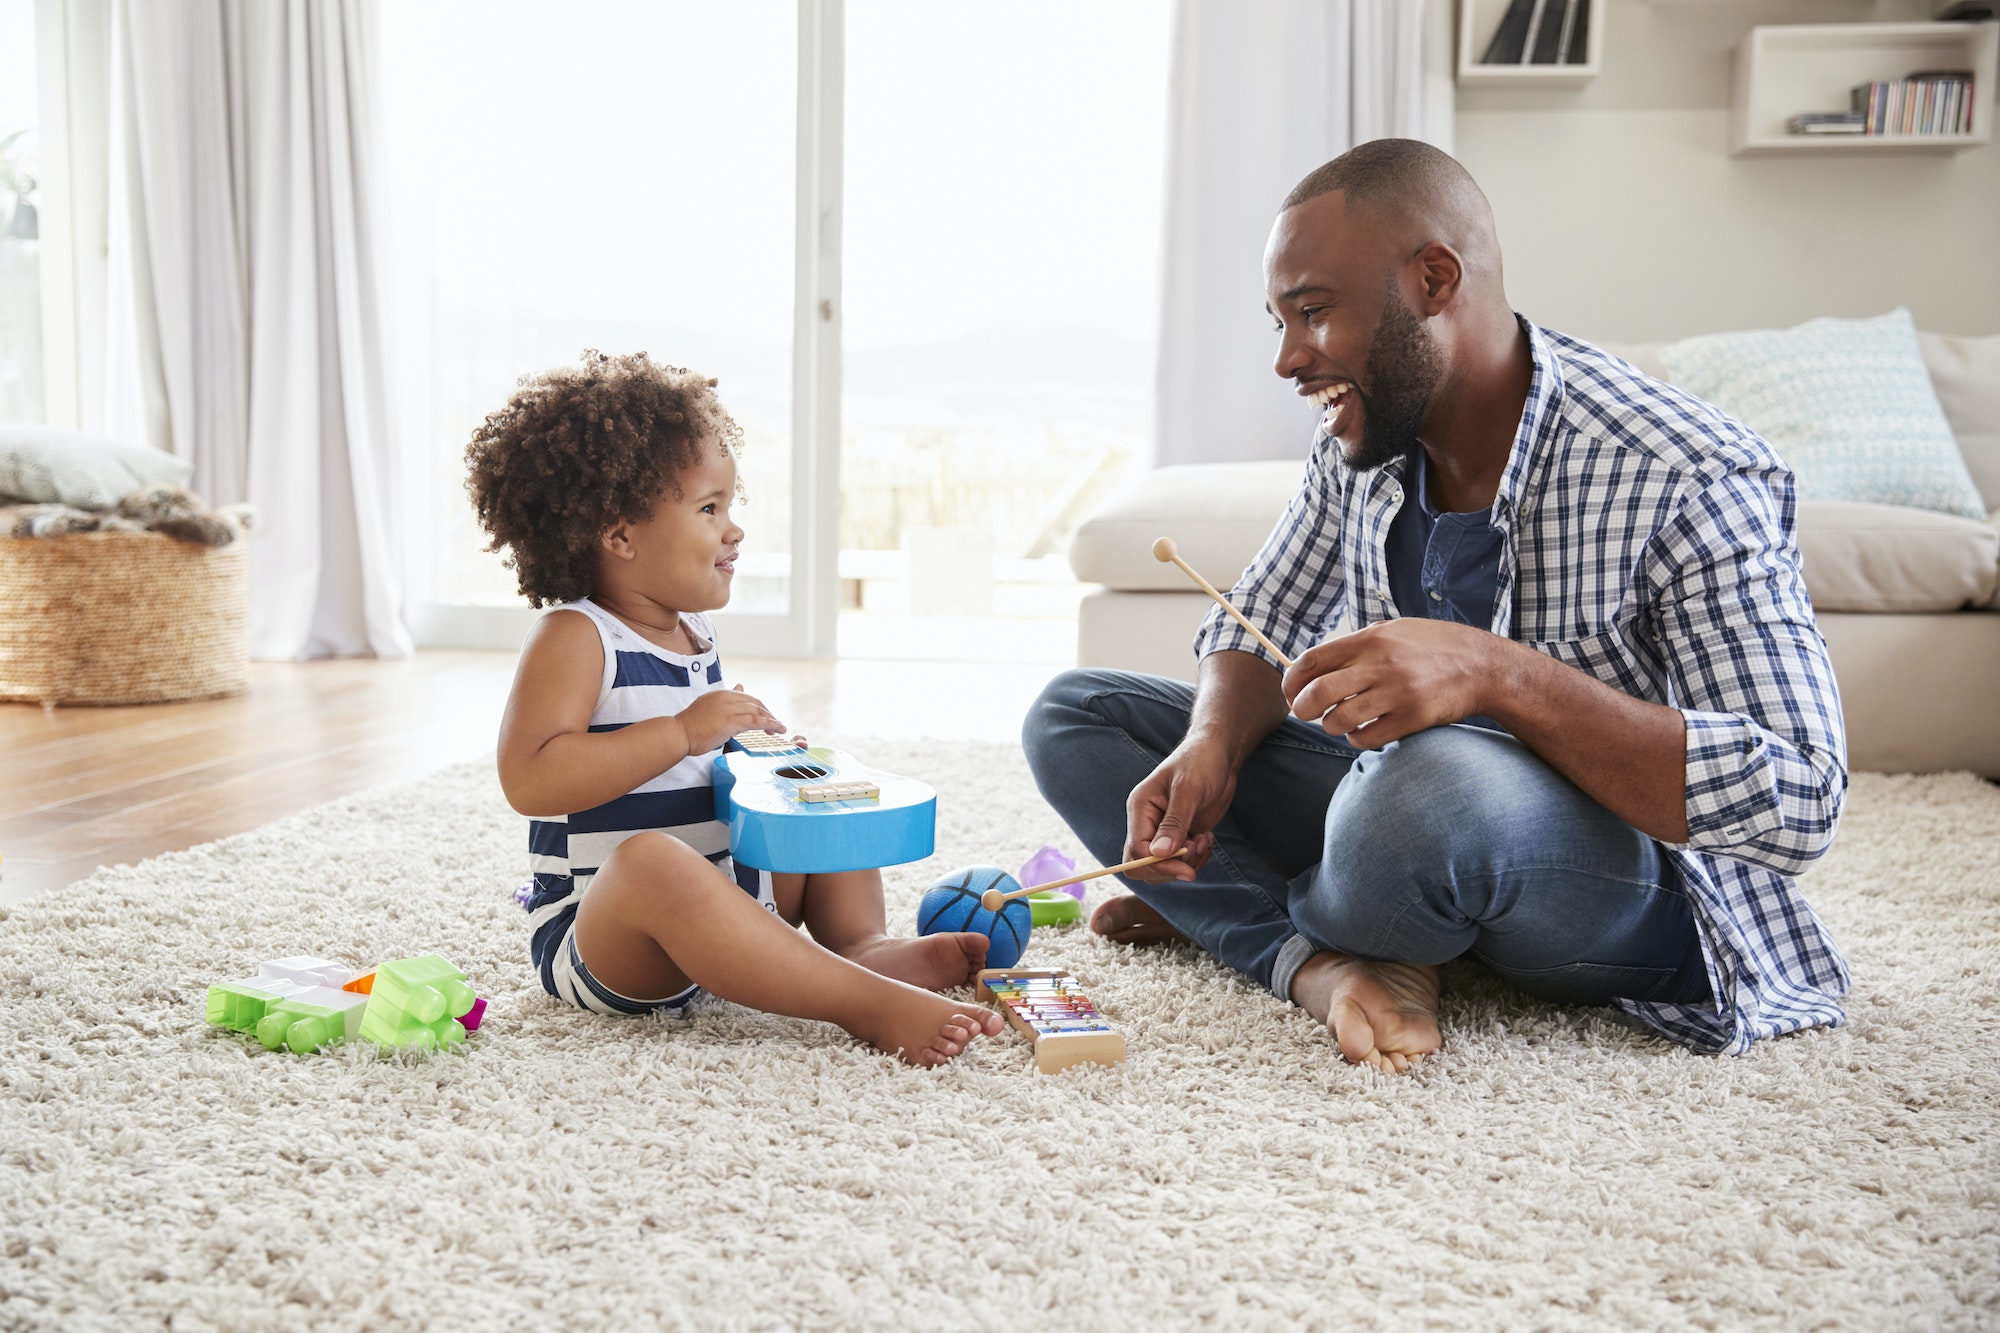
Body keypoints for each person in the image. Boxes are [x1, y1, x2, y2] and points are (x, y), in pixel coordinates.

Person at [1023, 140, 1848, 1071]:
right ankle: (1323, 961)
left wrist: (1498, 676)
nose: (1289, 357)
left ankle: (1263, 905)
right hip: (1395, 812)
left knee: (1425, 794)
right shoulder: (1365, 434)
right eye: (1278, 321)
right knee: (1074, 715)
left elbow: (1802, 795)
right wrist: (1211, 743)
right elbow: (1258, 614)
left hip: (1620, 877)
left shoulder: (1686, 470)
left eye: (1313, 312)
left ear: (1434, 279)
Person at [467, 351, 1002, 1066]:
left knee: (817, 797)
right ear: (620, 535)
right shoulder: (577, 634)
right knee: (650, 863)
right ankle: (856, 1000)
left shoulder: (696, 633)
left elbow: (698, 772)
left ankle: (862, 947)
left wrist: (761, 762)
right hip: (610, 934)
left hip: (723, 900)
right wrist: (684, 731)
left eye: (731, 505)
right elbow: (531, 777)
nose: (734, 529)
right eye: (709, 508)